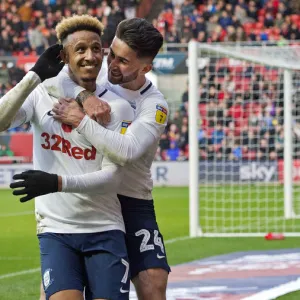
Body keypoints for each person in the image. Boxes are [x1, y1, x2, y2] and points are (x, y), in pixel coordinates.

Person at [14, 18, 171, 300]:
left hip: (131, 198)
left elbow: (126, 150)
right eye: (112, 54)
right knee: (58, 285)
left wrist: (80, 119)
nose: (111, 65)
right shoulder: (95, 72)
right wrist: (84, 96)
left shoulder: (154, 104)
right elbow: (57, 78)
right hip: (83, 198)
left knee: (153, 282)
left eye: (124, 61)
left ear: (145, 68)